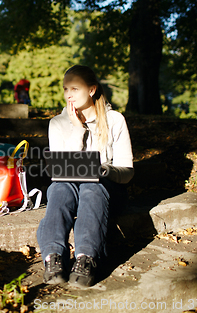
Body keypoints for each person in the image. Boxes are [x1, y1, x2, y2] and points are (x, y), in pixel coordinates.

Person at [36, 64, 134, 288]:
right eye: (65, 89)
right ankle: (53, 258)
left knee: (93, 187)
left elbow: (128, 172)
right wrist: (77, 130)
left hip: (106, 192)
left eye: (75, 89)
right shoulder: (57, 123)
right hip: (70, 191)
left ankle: (86, 258)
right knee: (58, 188)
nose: (69, 94)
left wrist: (104, 171)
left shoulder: (115, 120)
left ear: (91, 90)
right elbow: (61, 171)